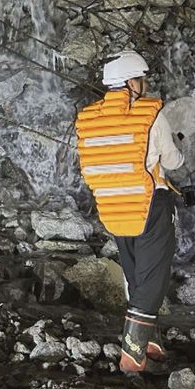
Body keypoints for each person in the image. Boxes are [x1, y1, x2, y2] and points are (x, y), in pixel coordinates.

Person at [75, 50, 185, 372]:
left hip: (112, 208)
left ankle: (151, 343)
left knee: (136, 275)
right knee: (154, 278)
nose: (146, 84)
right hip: (150, 205)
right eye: (142, 79)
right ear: (131, 83)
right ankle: (132, 355)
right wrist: (180, 147)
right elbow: (172, 160)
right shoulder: (150, 114)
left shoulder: (89, 118)